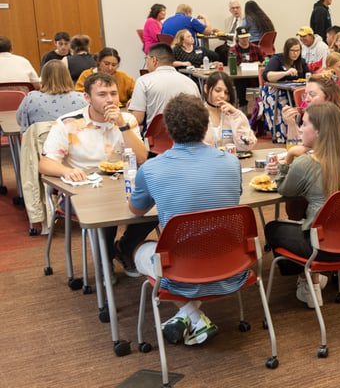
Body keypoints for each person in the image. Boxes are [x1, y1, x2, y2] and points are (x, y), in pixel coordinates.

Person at [129, 93, 243, 345]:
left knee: (138, 249)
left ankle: (192, 315)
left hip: (181, 271)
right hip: (232, 262)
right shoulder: (232, 162)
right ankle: (191, 316)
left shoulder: (151, 168)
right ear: (205, 125)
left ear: (168, 129)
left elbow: (136, 211)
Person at [39, 72, 157, 279]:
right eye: (102, 94)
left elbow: (141, 158)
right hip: (84, 189)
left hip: (123, 184)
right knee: (106, 214)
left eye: (113, 93)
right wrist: (68, 170)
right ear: (87, 98)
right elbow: (45, 163)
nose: (110, 99)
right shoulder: (68, 123)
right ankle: (105, 258)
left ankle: (125, 247)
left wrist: (122, 125)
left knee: (158, 204)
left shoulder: (126, 119)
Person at [264, 102, 340, 308]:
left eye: (304, 124)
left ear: (318, 131)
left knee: (273, 229)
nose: (301, 128)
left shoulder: (307, 163)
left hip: (324, 247)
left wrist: (288, 157)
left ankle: (309, 280)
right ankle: (312, 277)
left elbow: (284, 190)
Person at [129, 43, 201, 132]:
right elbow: (199, 114)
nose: (146, 62)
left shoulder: (143, 81)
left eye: (146, 59)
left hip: (157, 141)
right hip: (189, 137)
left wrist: (131, 109)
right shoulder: (190, 83)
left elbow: (137, 119)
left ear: (154, 60)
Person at [16, 60, 86, 133]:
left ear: (43, 77)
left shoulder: (31, 98)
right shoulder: (82, 99)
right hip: (72, 142)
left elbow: (20, 120)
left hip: (40, 142)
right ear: (68, 76)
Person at [262, 38, 309, 143]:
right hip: (275, 91)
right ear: (287, 50)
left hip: (293, 90)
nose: (295, 53)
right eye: (293, 50)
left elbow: (308, 76)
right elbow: (267, 76)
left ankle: (303, 133)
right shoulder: (277, 59)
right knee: (284, 104)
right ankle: (282, 135)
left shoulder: (301, 62)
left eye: (298, 51)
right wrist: (285, 73)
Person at [201, 71, 256, 151]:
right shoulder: (196, 113)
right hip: (204, 162)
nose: (223, 96)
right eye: (217, 90)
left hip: (230, 160)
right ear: (206, 88)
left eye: (226, 92)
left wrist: (235, 115)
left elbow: (247, 146)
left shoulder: (234, 114)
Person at [229, 26, 266, 110]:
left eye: (246, 37)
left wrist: (263, 62)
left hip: (255, 77)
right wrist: (254, 63)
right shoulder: (233, 50)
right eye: (242, 38)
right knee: (240, 84)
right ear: (238, 38)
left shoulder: (256, 48)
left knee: (265, 82)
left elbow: (265, 59)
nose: (245, 39)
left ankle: (263, 106)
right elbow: (236, 66)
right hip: (242, 78)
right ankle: (243, 108)